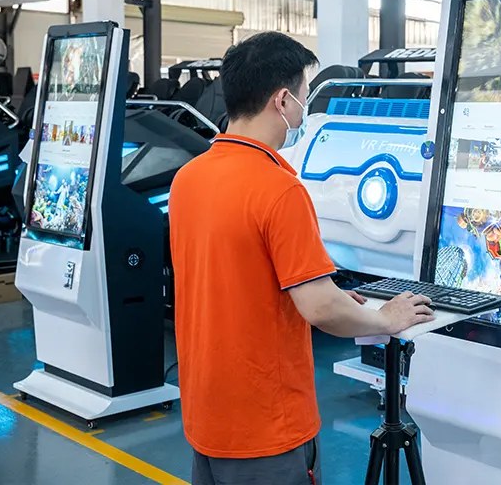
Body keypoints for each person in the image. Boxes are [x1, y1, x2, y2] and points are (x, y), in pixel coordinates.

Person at [169, 32, 434, 485]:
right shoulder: (280, 190)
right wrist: (386, 319)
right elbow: (319, 310)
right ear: (282, 100)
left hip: (206, 416)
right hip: (266, 427)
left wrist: (329, 292)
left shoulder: (188, 178)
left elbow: (237, 278)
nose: (306, 105)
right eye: (305, 93)